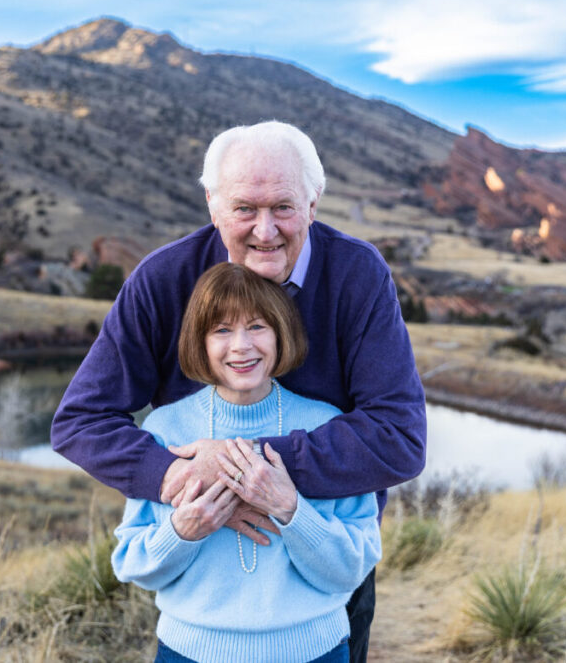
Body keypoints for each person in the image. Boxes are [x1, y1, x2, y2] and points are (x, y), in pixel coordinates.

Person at [52, 121, 426, 660]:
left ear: (314, 203)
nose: (265, 231)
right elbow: (81, 421)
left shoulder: (356, 275)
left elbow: (398, 438)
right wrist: (181, 476)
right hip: (203, 591)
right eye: (245, 209)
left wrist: (240, 471)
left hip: (321, 586)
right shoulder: (164, 280)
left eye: (284, 208)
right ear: (212, 204)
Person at [112, 263, 382, 662]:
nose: (241, 346)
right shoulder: (166, 428)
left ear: (280, 334)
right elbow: (132, 564)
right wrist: (183, 530)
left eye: (257, 326)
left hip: (314, 652)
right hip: (189, 653)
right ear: (199, 341)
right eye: (222, 330)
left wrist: (290, 509)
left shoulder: (328, 425)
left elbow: (352, 568)